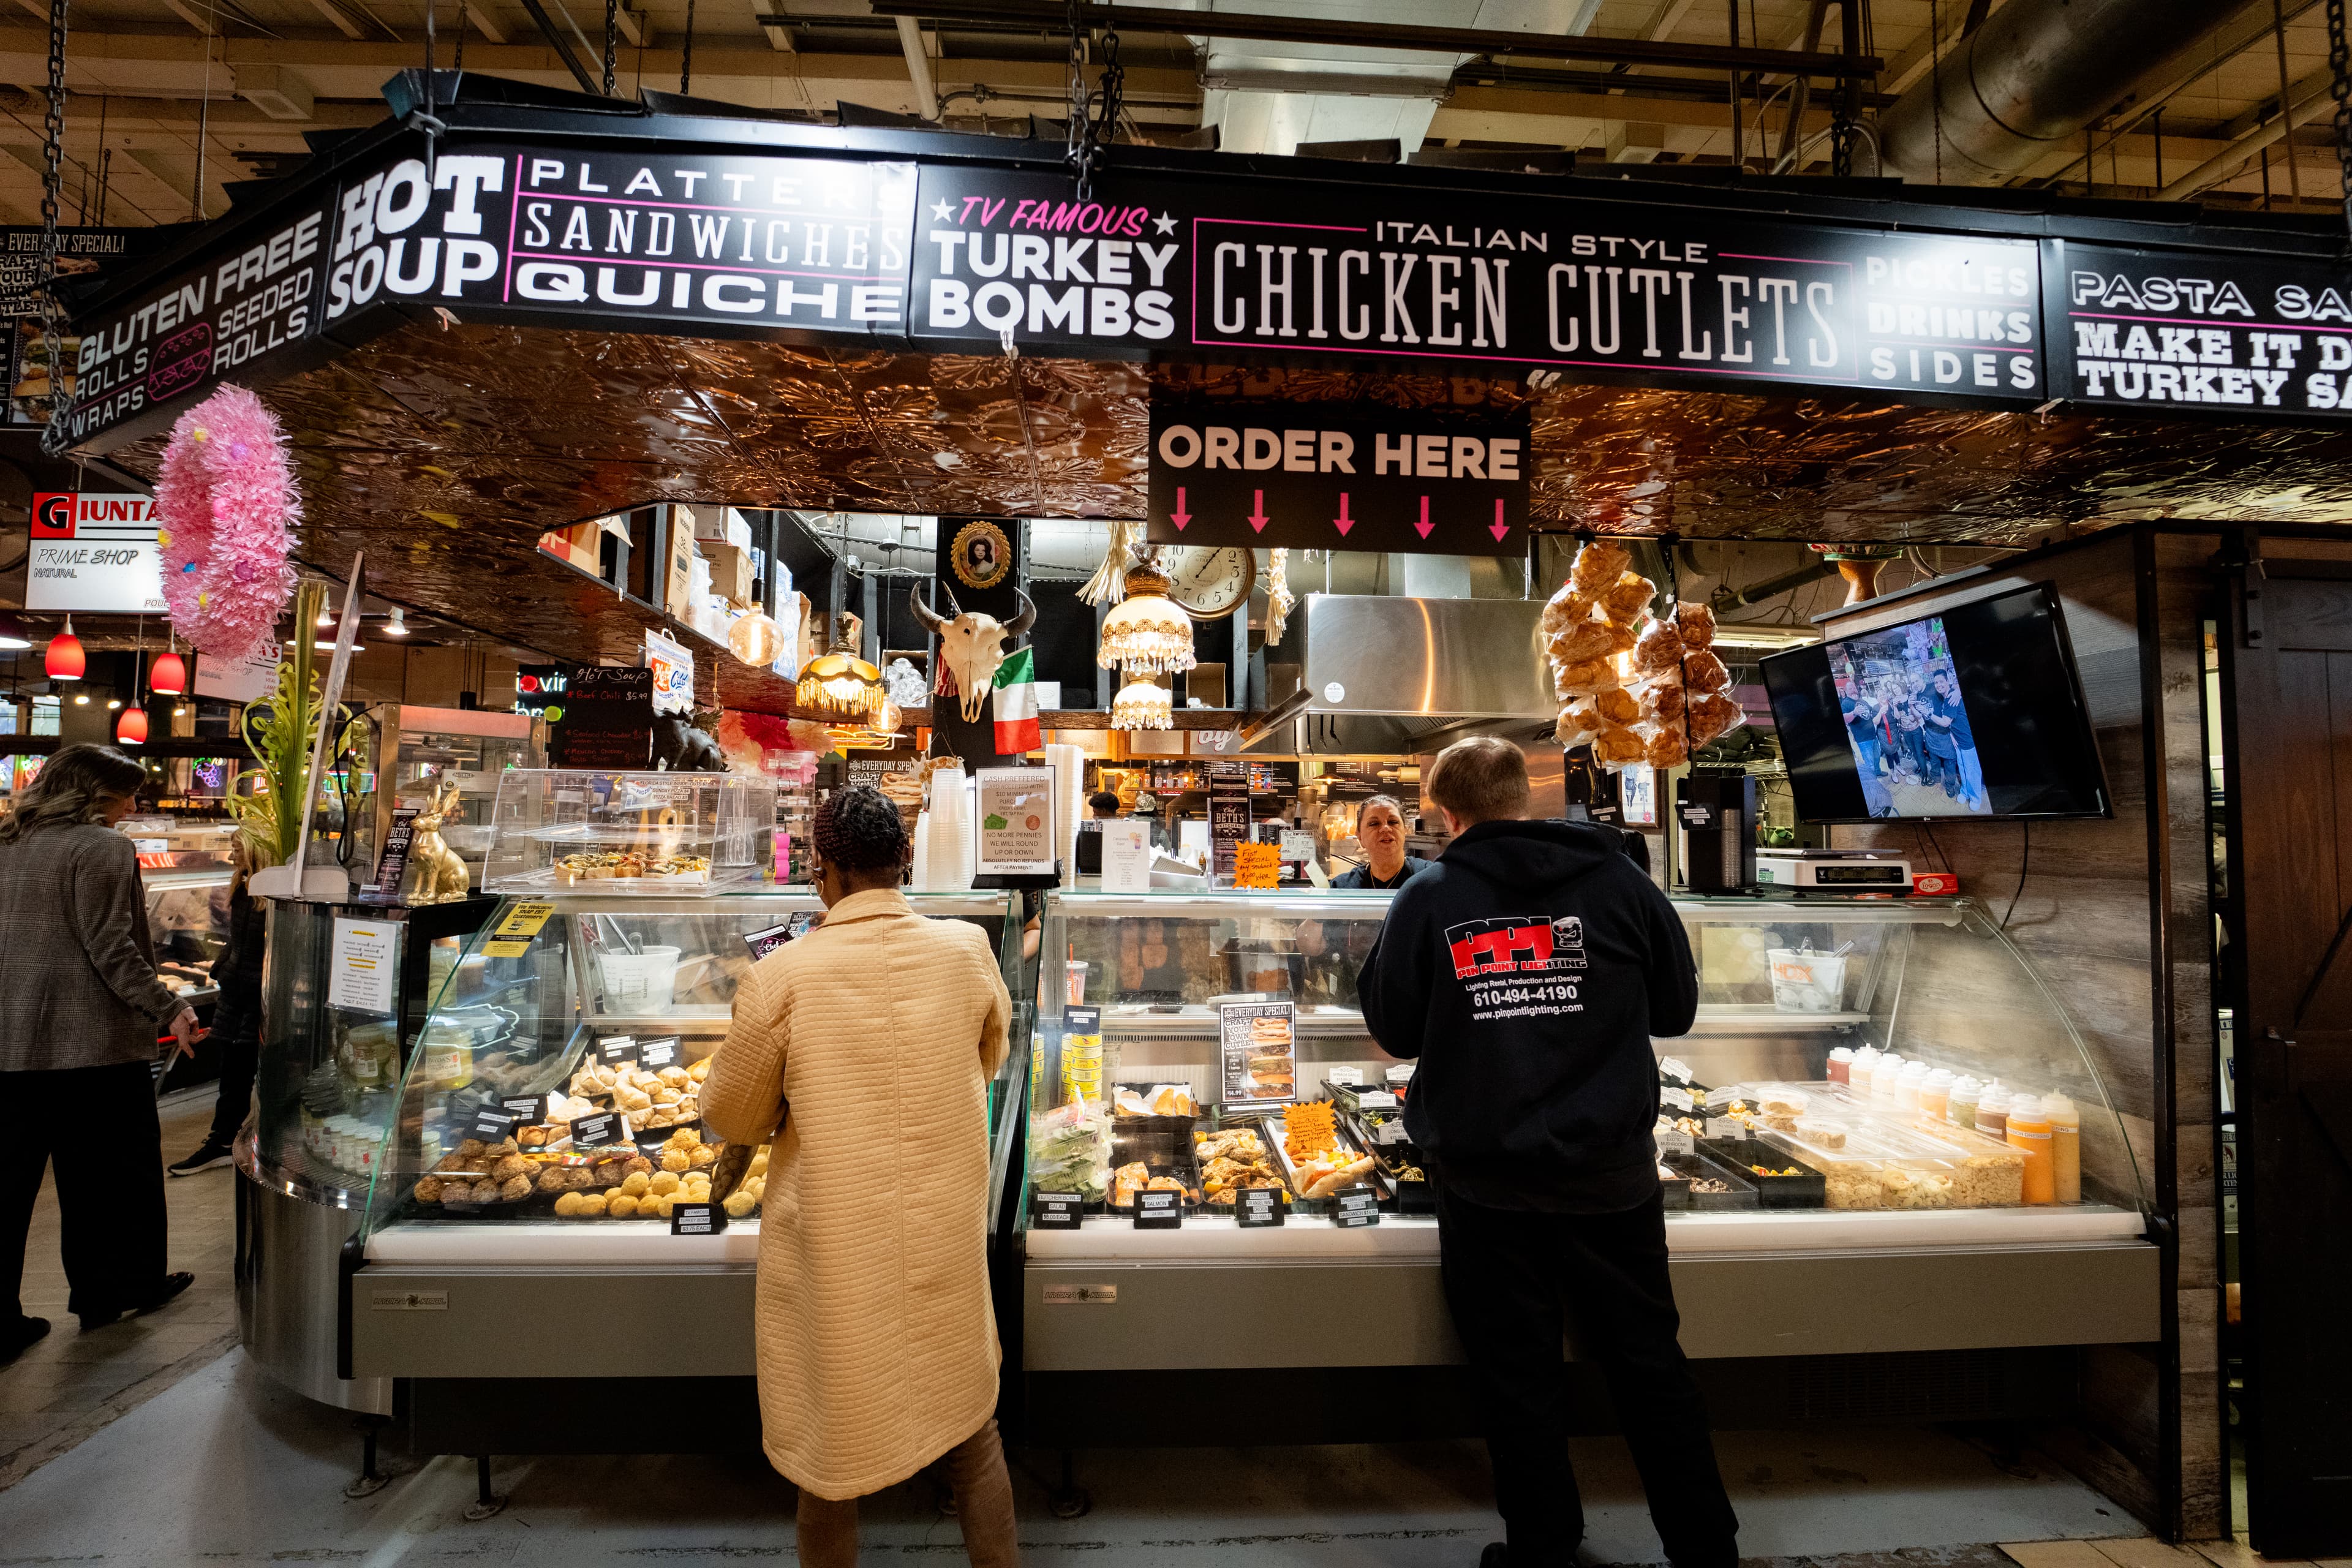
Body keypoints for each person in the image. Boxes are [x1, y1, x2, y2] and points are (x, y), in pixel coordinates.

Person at [1357, 736, 1736, 1568]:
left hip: (1489, 1190)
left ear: (1446, 813)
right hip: (1613, 1182)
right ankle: (1708, 1549)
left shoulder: (1428, 896)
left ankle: (1543, 1551)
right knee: (1649, 1367)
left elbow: (1390, 1029)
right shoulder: (1621, 881)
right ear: (1521, 800)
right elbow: (1674, 1012)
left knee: (1517, 1379)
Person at [703, 786, 1018, 1568]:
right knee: (976, 1440)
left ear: (825, 871)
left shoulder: (785, 978)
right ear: (905, 862)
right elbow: (991, 1055)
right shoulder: (967, 950)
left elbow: (733, 1116)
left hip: (838, 1251)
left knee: (829, 1464)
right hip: (944, 1234)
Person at [0, 744, 199, 1360]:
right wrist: (171, 1006)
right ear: (95, 793)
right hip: (90, 1043)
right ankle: (112, 1290)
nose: (134, 805)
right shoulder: (102, 848)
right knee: (111, 1179)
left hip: (10, 1043)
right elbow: (110, 946)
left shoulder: (8, 839)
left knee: (8, 1186)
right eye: (128, 793)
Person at [171, 836, 265, 1175]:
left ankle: (231, 1141)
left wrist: (232, 972)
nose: (232, 851)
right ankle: (223, 1142)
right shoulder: (243, 885)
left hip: (252, 997)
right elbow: (238, 943)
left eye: (239, 845)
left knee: (244, 1072)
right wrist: (223, 969)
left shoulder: (264, 891)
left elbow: (256, 949)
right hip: (238, 994)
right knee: (233, 1074)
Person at [1332, 795, 1431, 891]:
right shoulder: (1341, 887)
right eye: (1374, 824)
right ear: (1360, 836)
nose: (1385, 828)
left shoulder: (1431, 877)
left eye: (1393, 822)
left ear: (1405, 830)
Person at [1927, 669, 1986, 810]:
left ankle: (1976, 798)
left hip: (1968, 741)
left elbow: (1946, 722)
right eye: (1936, 682)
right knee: (1964, 769)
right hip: (1958, 741)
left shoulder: (1951, 698)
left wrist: (1929, 714)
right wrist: (1952, 735)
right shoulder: (1949, 696)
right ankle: (1965, 792)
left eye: (1942, 681)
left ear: (1948, 681)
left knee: (1972, 771)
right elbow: (1953, 723)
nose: (1939, 685)